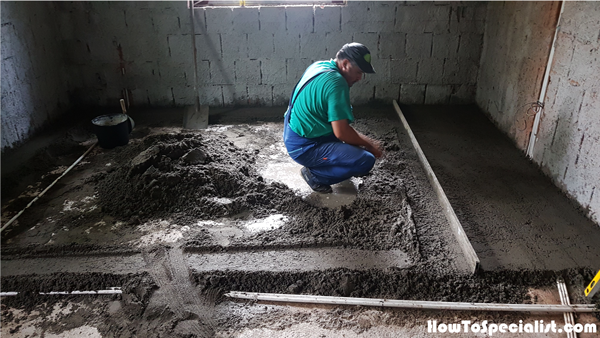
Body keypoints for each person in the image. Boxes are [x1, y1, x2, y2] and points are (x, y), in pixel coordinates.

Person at [283, 42, 383, 193]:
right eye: (358, 72)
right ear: (345, 64)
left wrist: (363, 143)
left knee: (355, 146)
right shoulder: (337, 83)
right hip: (304, 146)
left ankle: (331, 164)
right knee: (366, 160)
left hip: (296, 129)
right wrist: (369, 144)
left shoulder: (320, 65)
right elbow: (341, 132)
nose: (359, 78)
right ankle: (315, 175)